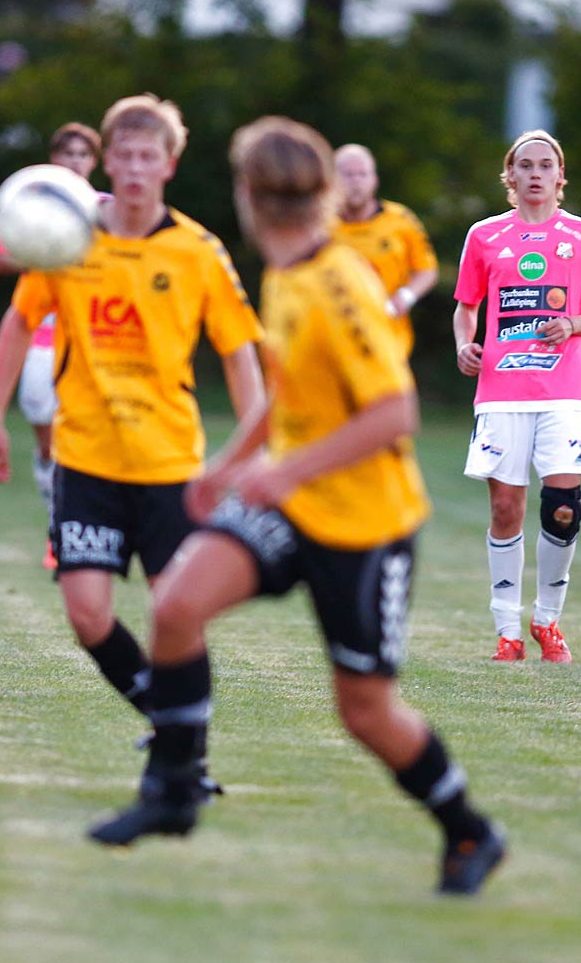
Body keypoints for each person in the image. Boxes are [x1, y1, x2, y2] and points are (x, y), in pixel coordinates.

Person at [89, 115, 506, 896]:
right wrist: (232, 464)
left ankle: (470, 830)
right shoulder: (282, 275)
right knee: (175, 603)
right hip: (292, 506)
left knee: (366, 713)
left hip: (368, 527)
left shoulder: (342, 284)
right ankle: (174, 792)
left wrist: (283, 474)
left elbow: (395, 414)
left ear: (247, 194)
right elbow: (284, 391)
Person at [0, 94, 264, 733]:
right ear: (107, 163)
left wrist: (252, 448)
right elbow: (19, 322)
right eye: (125, 156)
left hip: (168, 462)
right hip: (85, 458)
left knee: (175, 616)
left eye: (149, 157)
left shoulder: (198, 251)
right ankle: (170, 726)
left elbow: (240, 356)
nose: (136, 169)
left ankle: (179, 751)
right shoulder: (70, 240)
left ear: (170, 164)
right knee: (87, 616)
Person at [453, 131, 581, 664]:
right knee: (505, 507)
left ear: (560, 177)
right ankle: (507, 632)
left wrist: (570, 324)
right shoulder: (484, 236)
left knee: (562, 509)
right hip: (500, 390)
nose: (537, 173)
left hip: (565, 391)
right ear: (511, 176)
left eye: (547, 165)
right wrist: (464, 345)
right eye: (527, 165)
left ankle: (547, 620)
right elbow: (466, 306)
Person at [0, 122, 101, 570]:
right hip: (38, 334)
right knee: (43, 428)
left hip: (89, 339)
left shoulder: (105, 210)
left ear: (94, 161)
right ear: (53, 159)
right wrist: (46, 252)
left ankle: (71, 527)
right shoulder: (28, 205)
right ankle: (55, 515)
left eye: (83, 154)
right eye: (67, 153)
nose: (75, 162)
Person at [332, 143, 437, 353]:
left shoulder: (400, 220)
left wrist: (404, 297)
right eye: (348, 175)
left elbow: (427, 270)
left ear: (374, 180)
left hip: (389, 335)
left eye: (362, 174)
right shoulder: (319, 225)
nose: (356, 182)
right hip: (335, 334)